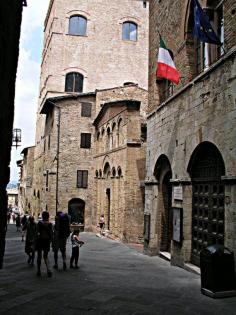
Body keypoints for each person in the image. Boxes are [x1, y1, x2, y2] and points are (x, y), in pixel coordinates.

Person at [35, 211, 53, 277]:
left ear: (42, 216)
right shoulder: (50, 224)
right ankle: (48, 270)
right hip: (47, 241)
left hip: (40, 240)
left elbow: (37, 233)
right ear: (48, 216)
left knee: (39, 256)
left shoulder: (39, 223)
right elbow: (51, 234)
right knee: (45, 256)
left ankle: (38, 271)